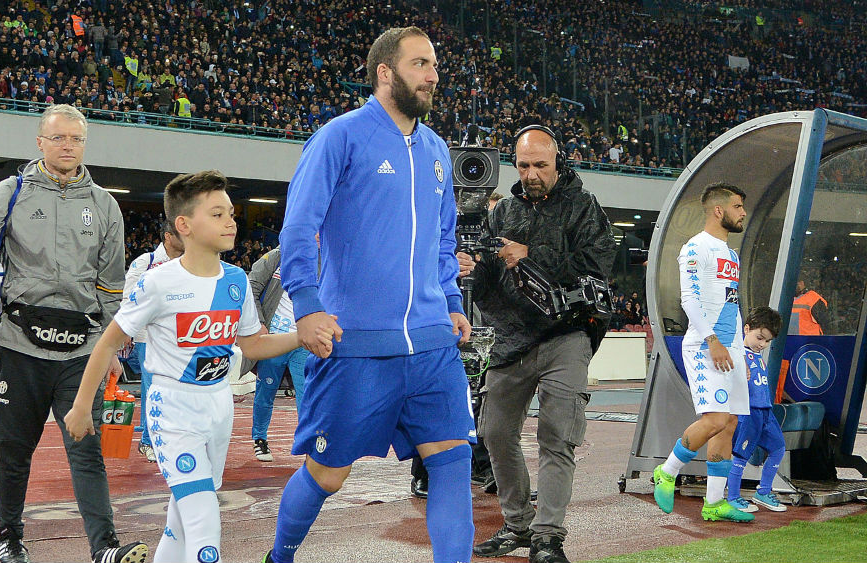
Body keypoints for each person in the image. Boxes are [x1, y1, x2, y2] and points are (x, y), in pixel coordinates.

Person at [265, 26, 476, 563]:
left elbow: (442, 239)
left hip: (431, 344)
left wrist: (451, 303)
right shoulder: (340, 137)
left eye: (434, 65)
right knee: (328, 474)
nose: (433, 76)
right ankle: (279, 557)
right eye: (420, 64)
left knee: (452, 461)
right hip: (357, 343)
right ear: (386, 72)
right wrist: (308, 305)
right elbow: (298, 228)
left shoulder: (435, 149)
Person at [64, 170, 308, 563]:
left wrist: (303, 334)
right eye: (217, 214)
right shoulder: (157, 282)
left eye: (230, 212)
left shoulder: (236, 281)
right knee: (204, 523)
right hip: (173, 410)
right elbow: (109, 340)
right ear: (184, 225)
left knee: (181, 522)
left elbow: (253, 344)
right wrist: (80, 406)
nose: (231, 221)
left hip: (219, 407)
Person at [0, 104, 146, 563]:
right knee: (13, 451)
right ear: (40, 142)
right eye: (58, 138)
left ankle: (105, 549)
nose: (67, 147)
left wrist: (112, 346)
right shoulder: (10, 192)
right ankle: (11, 537)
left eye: (76, 139)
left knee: (87, 449)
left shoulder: (104, 205)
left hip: (81, 352)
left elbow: (111, 288)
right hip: (19, 348)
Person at [461, 125, 616, 563]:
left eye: (540, 165)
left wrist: (531, 255)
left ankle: (548, 536)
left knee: (556, 433)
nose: (531, 174)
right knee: (494, 432)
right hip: (510, 340)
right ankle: (517, 525)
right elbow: (489, 281)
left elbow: (597, 268)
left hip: (566, 334)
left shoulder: (584, 206)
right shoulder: (503, 211)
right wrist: (472, 268)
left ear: (557, 162)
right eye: (524, 165)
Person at [652, 181, 754, 524]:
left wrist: (740, 350)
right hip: (704, 345)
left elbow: (730, 302)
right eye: (738, 206)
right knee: (714, 420)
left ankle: (714, 503)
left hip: (731, 347)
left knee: (731, 423)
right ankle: (667, 471)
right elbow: (689, 300)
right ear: (719, 210)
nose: (743, 213)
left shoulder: (732, 254)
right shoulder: (696, 248)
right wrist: (712, 340)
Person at [121, 222, 184, 463]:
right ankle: (148, 442)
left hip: (178, 336)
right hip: (148, 336)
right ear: (168, 236)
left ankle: (165, 438)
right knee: (152, 389)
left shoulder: (187, 262)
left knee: (175, 390)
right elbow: (129, 297)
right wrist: (128, 329)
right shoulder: (144, 262)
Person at [242, 245, 310, 462]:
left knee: (308, 393)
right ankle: (259, 438)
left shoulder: (324, 258)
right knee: (266, 391)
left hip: (302, 340)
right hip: (273, 338)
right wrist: (259, 322)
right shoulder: (276, 256)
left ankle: (308, 441)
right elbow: (250, 287)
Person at [726, 306, 787, 513]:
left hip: (765, 412)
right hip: (748, 412)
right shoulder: (736, 354)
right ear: (746, 329)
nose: (763, 344)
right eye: (760, 338)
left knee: (778, 448)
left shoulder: (756, 355)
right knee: (741, 456)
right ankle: (733, 497)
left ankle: (763, 492)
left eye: (768, 341)